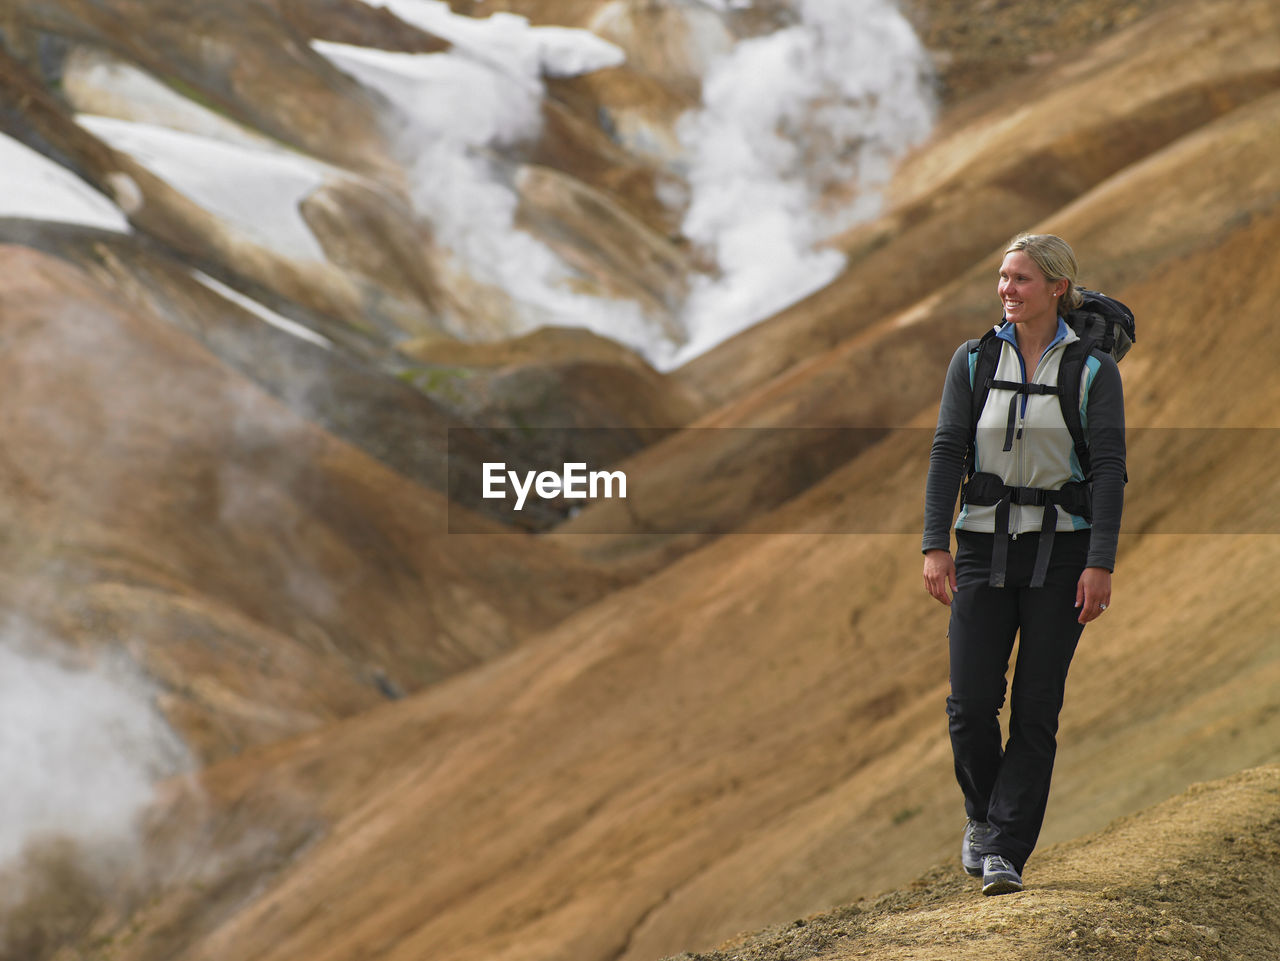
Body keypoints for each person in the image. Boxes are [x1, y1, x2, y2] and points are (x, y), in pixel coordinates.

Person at [921, 233, 1126, 896]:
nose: (1007, 290)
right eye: (1003, 279)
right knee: (970, 706)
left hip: (1062, 552)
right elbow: (948, 451)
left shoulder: (1093, 370)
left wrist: (1099, 563)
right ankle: (983, 817)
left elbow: (1108, 471)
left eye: (1021, 280)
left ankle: (1006, 849)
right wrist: (934, 544)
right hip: (982, 546)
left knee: (1036, 710)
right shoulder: (973, 360)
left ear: (1057, 288)